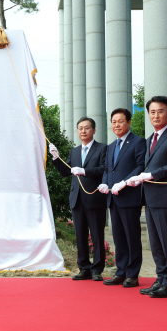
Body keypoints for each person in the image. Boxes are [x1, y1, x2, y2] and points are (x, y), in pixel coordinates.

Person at [127, 95, 167, 298]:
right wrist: (138, 178)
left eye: (160, 111)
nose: (156, 115)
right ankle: (161, 278)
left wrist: (151, 174)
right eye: (152, 112)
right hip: (150, 197)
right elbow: (146, 166)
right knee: (155, 242)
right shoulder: (149, 139)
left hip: (166, 197)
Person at [50, 117, 107, 281]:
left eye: (87, 128)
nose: (83, 131)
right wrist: (56, 158)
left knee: (96, 235)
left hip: (94, 197)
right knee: (80, 235)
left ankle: (97, 270)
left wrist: (84, 171)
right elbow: (65, 171)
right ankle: (84, 268)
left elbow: (104, 169)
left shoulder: (102, 149)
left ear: (94, 130)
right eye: (80, 128)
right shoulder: (74, 151)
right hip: (77, 199)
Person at [97, 108, 146, 288]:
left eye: (120, 121)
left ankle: (132, 274)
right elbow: (108, 170)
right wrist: (104, 183)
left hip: (129, 196)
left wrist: (124, 182)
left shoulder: (138, 142)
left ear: (128, 122)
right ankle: (121, 271)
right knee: (118, 237)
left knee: (131, 236)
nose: (116, 125)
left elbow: (140, 166)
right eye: (114, 122)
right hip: (113, 198)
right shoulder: (111, 146)